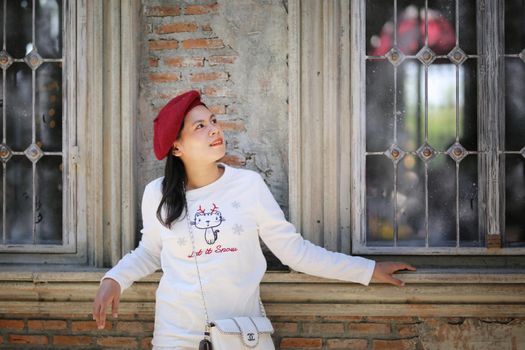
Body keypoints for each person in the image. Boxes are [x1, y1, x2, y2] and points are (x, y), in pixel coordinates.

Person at [92, 90, 416, 349]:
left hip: (241, 336)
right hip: (176, 336)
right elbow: (150, 251)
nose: (214, 129)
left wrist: (368, 269)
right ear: (176, 147)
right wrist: (114, 278)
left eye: (213, 120)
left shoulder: (247, 186)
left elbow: (295, 252)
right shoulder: (157, 193)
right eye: (199, 126)